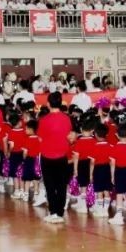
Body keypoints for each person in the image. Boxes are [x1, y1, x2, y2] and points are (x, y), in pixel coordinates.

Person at [37, 93, 72, 223]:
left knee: (50, 185)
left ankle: (53, 213)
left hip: (47, 156)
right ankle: (60, 212)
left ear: (48, 104)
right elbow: (68, 135)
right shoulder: (66, 119)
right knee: (62, 185)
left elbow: (40, 138)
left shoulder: (44, 120)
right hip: (62, 156)